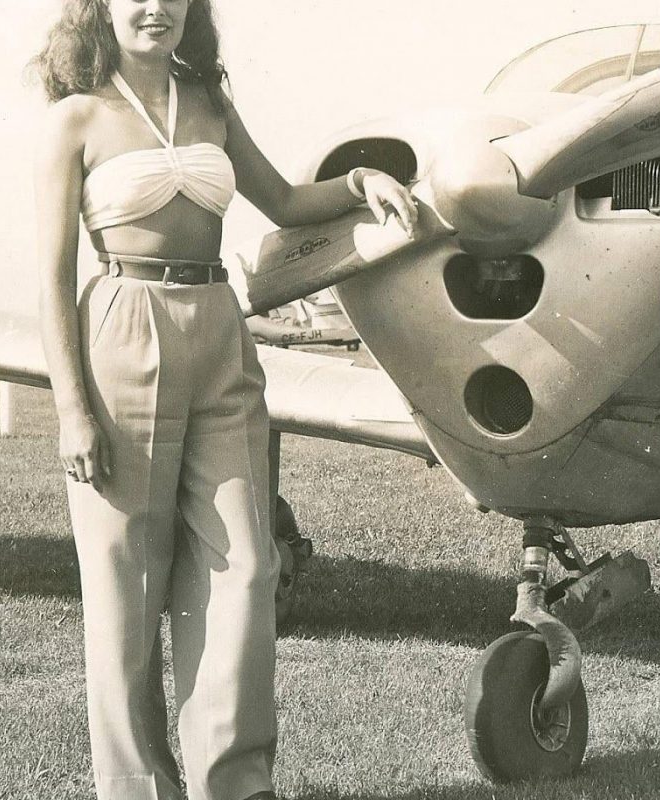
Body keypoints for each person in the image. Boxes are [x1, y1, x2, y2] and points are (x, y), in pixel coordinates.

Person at [30, 2, 417, 799]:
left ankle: (235, 785)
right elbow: (49, 281)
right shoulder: (75, 119)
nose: (155, 8)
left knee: (244, 564)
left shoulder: (208, 103)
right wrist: (72, 408)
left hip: (220, 329)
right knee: (125, 581)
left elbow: (284, 201)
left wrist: (358, 182)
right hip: (121, 330)